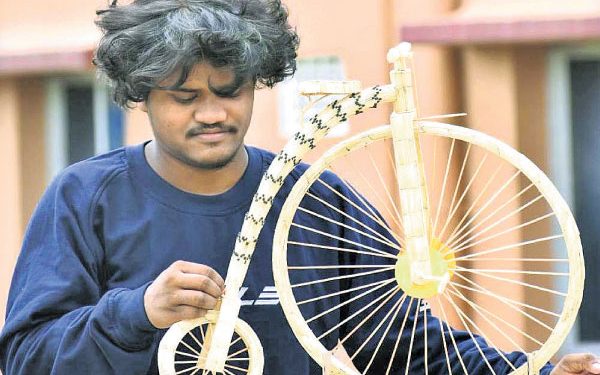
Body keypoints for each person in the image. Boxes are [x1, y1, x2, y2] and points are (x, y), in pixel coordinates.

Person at [0, 0, 598, 374]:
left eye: (230, 91)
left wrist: (534, 372)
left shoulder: (314, 198)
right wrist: (137, 313)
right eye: (186, 97)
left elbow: (403, 344)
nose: (212, 113)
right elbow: (25, 359)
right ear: (143, 96)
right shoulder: (87, 198)